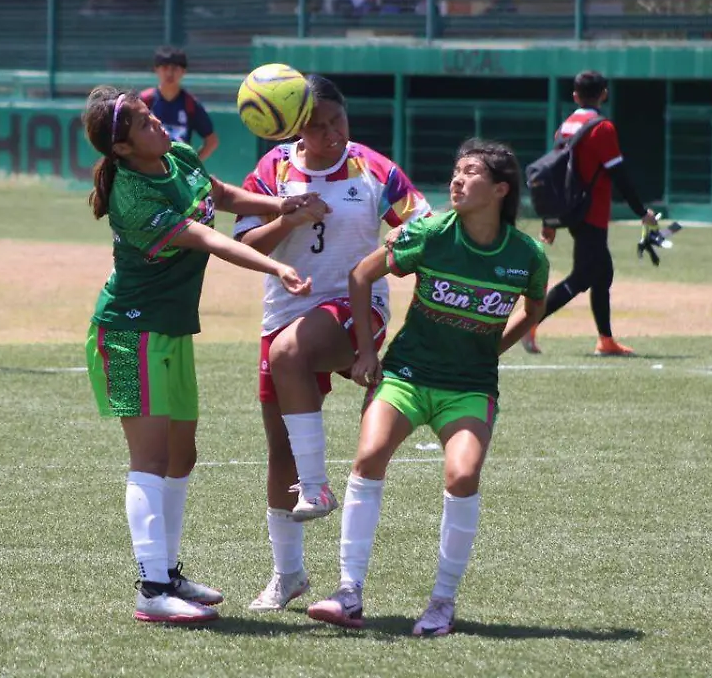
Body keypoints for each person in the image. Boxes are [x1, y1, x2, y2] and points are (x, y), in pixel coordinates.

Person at [81, 85, 317, 624]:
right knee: (150, 460)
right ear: (120, 150)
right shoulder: (134, 196)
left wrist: (281, 204)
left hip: (170, 331)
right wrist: (276, 264)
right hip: (125, 334)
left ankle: (170, 572)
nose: (157, 124)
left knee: (182, 455)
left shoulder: (177, 155)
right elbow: (210, 238)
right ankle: (152, 588)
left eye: (151, 116)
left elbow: (222, 195)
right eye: (143, 124)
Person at [305, 139, 548, 636]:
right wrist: (368, 352)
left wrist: (492, 349)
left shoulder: (526, 255)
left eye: (471, 173)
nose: (457, 180)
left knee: (462, 476)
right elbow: (361, 273)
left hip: (469, 386)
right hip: (406, 376)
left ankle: (441, 603)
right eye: (455, 170)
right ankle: (348, 593)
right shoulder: (431, 233)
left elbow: (534, 307)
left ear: (500, 189)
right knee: (369, 455)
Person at [233, 74, 431, 612]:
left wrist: (402, 239)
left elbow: (424, 223)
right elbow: (242, 243)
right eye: (317, 126)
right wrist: (288, 216)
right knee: (279, 453)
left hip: (355, 307)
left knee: (289, 354)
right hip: (285, 310)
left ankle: (317, 487)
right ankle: (288, 575)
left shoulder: (373, 168)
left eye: (337, 121)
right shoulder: (273, 170)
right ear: (296, 129)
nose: (331, 134)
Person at [522, 70, 656, 357]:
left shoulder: (566, 126)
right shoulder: (602, 128)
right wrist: (641, 212)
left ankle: (605, 340)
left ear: (575, 96)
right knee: (583, 277)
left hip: (571, 210)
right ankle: (529, 323)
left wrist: (551, 220)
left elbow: (555, 174)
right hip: (591, 212)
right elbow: (619, 175)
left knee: (602, 273)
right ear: (604, 93)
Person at [139, 47, 219, 161]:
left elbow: (212, 141)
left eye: (175, 68)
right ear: (156, 69)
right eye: (165, 67)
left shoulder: (190, 104)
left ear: (183, 71)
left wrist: (191, 165)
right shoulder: (144, 101)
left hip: (177, 172)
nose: (169, 73)